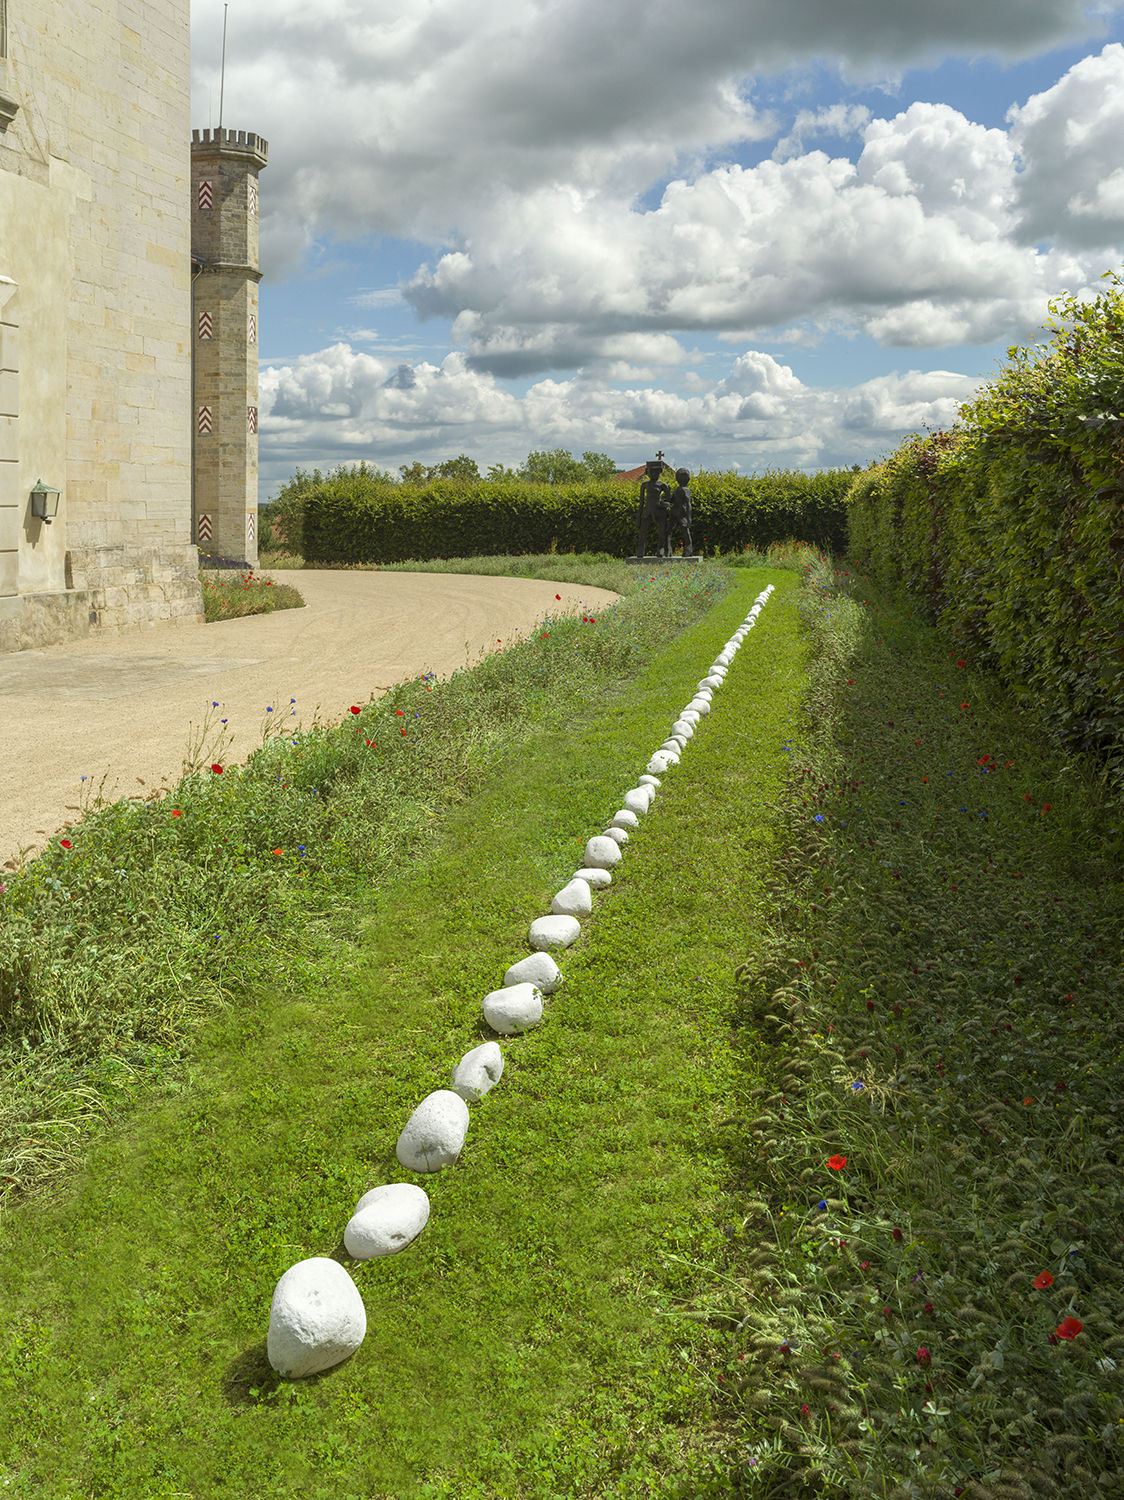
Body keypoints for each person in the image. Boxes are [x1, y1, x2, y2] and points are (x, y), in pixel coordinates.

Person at [636, 459, 670, 558]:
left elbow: (668, 500)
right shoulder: (644, 485)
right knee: (643, 532)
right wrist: (638, 517)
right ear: (647, 473)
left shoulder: (663, 485)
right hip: (647, 511)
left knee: (661, 531)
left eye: (656, 472)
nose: (654, 474)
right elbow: (641, 502)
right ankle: (640, 549)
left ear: (659, 473)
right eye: (651, 472)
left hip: (659, 511)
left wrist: (663, 503)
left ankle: (661, 548)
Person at [667, 468, 695, 556]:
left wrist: (689, 518)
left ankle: (688, 550)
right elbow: (672, 500)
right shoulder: (677, 489)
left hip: (681, 513)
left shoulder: (685, 490)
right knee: (668, 531)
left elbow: (688, 504)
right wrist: (667, 493)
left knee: (685, 531)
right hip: (675, 512)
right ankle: (668, 550)